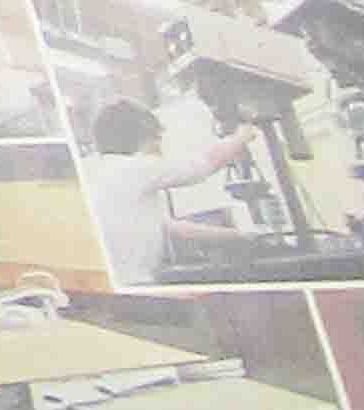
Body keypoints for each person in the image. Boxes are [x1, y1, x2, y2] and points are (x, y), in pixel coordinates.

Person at [83, 97, 267, 285]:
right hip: (133, 281)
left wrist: (240, 235)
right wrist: (242, 136)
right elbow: (202, 166)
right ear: (141, 137)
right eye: (157, 141)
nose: (160, 150)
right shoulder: (134, 168)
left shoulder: (97, 169)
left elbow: (173, 228)